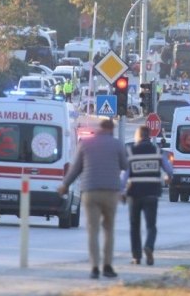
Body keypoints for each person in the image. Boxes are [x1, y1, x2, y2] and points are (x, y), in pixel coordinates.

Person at [57, 118, 127, 279]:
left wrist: (65, 185)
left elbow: (75, 169)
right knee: (109, 229)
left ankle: (95, 267)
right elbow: (125, 165)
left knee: (93, 230)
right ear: (111, 130)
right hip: (110, 192)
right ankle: (107, 266)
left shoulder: (86, 144)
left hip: (90, 191)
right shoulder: (117, 144)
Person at [121, 126, 173, 265]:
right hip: (151, 193)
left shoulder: (131, 152)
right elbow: (169, 169)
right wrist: (168, 177)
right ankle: (149, 246)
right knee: (151, 225)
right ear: (148, 136)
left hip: (135, 193)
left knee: (134, 226)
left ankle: (136, 257)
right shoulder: (157, 151)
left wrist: (122, 192)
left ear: (139, 136)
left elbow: (125, 175)